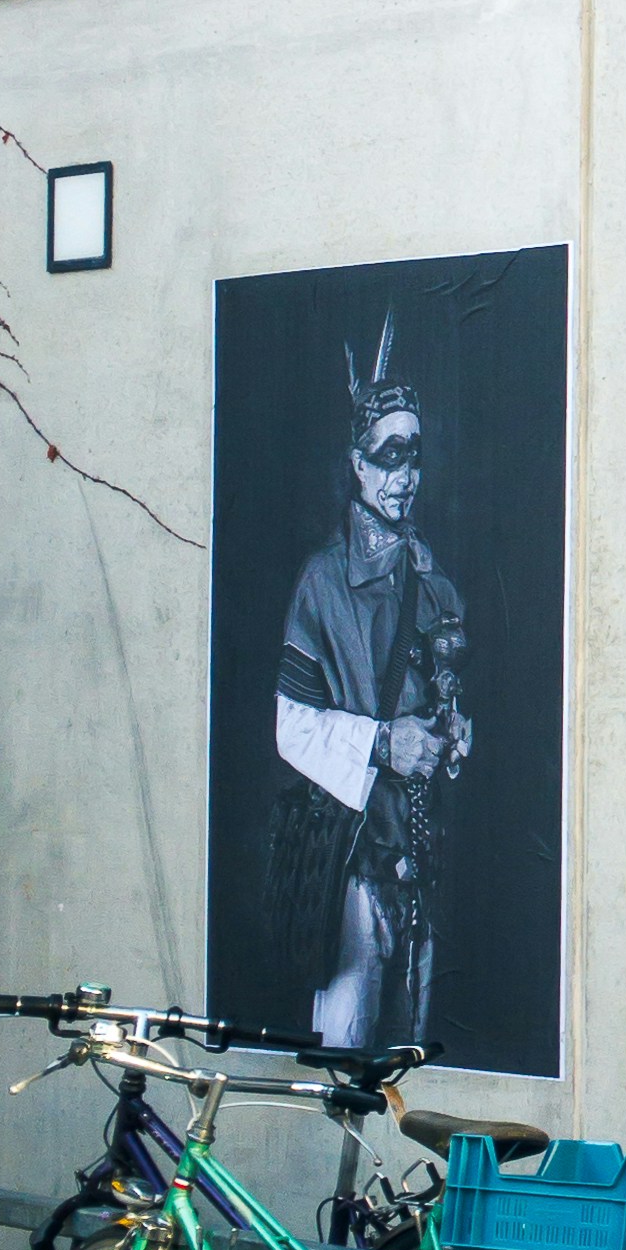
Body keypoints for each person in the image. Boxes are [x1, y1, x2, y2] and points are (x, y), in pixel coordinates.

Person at [264, 322, 470, 1053]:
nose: (404, 475)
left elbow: (443, 693)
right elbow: (291, 726)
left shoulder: (435, 580)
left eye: (413, 455)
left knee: (412, 1063)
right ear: (357, 465)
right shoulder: (322, 583)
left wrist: (452, 732)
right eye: (388, 456)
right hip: (352, 861)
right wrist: (383, 743)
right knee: (345, 1065)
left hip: (425, 863)